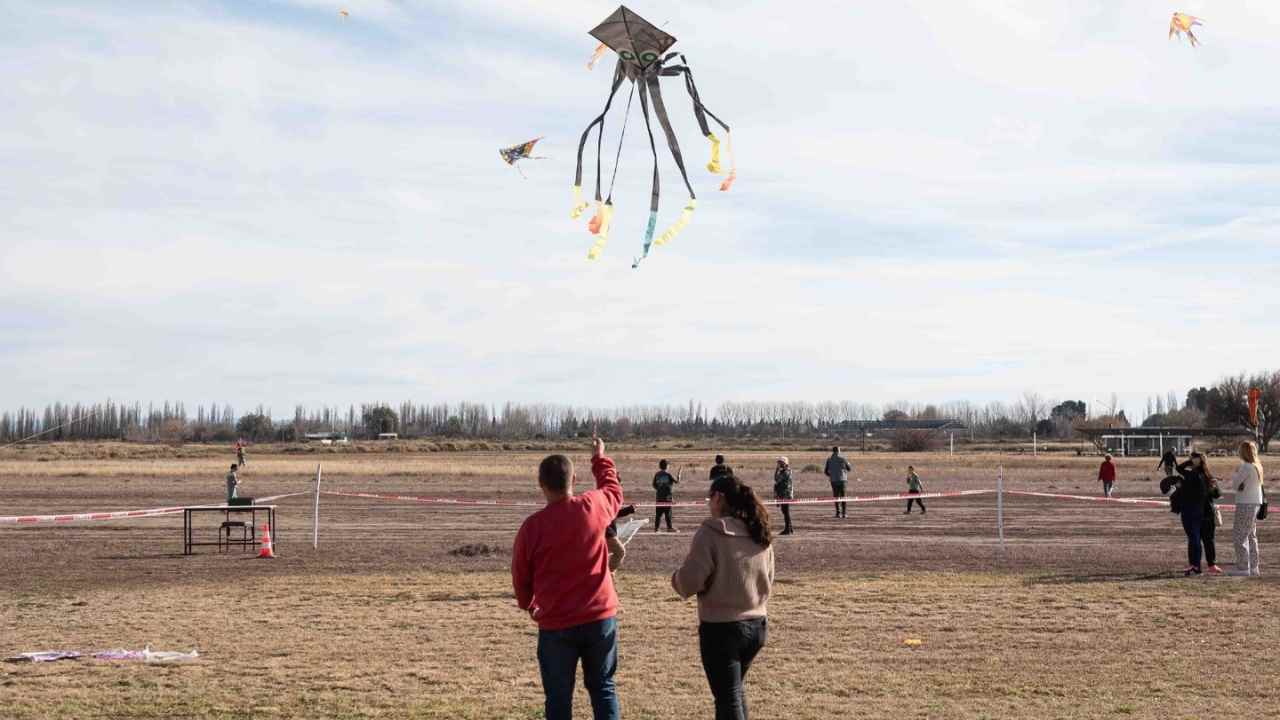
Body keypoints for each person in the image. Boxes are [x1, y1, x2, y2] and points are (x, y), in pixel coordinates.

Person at [512, 437, 623, 720]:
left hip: (556, 623)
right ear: (574, 478)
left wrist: (528, 604)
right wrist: (600, 458)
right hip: (599, 618)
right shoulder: (593, 506)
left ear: (541, 484)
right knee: (603, 688)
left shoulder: (532, 527)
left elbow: (520, 574)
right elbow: (613, 490)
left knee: (558, 697)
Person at [672, 472, 775, 720]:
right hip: (757, 625)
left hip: (722, 629)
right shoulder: (759, 530)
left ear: (718, 498)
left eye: (709, 498)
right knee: (734, 692)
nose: (708, 504)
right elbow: (769, 578)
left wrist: (676, 578)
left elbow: (690, 581)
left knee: (727, 700)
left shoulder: (711, 533)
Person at [1171, 452, 1212, 576]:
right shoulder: (1205, 474)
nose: (1190, 460)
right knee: (1195, 538)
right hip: (1200, 511)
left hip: (1190, 510)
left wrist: (1190, 463)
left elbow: (1178, 468)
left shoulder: (1194, 474)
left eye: (1192, 459)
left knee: (1193, 538)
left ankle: (1195, 566)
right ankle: (1195, 565)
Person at [1228, 441, 1265, 576]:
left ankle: (1243, 567)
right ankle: (1254, 566)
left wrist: (1235, 473)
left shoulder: (1245, 467)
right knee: (1251, 535)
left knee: (1240, 535)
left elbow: (1235, 484)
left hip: (1245, 503)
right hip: (1255, 503)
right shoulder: (1257, 466)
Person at [1202, 472, 1224, 575]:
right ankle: (1195, 564)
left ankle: (1211, 564)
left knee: (1209, 540)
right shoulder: (1190, 475)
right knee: (1196, 540)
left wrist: (1214, 485)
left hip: (1207, 514)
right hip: (1196, 513)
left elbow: (1217, 495)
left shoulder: (1207, 478)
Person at [824, 446, 851, 518]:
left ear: (833, 451)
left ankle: (838, 513)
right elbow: (849, 469)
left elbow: (826, 471)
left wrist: (831, 475)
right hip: (842, 480)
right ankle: (844, 513)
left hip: (833, 481)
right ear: (839, 451)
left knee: (836, 497)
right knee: (843, 497)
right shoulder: (843, 458)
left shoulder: (829, 460)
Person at [653, 460, 679, 532]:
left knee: (658, 513)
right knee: (668, 513)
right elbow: (677, 481)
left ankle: (656, 528)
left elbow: (654, 485)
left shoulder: (657, 474)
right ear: (667, 466)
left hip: (659, 496)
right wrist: (679, 475)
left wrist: (659, 490)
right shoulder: (668, 474)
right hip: (667, 497)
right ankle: (669, 527)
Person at [773, 457, 794, 535]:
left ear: (785, 463)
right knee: (785, 511)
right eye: (779, 463)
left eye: (781, 463)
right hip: (783, 493)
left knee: (785, 511)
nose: (779, 465)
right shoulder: (784, 471)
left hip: (785, 494)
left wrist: (777, 470)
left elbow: (776, 479)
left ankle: (787, 529)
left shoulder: (786, 472)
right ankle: (790, 528)